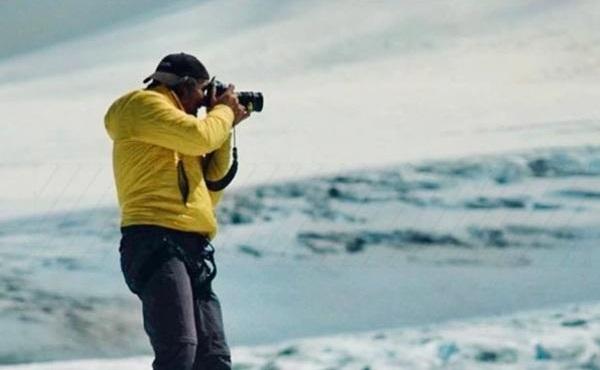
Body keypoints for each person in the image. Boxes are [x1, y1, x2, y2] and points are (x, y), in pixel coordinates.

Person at [104, 52, 250, 370]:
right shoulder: (142, 107)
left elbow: (211, 189)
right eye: (203, 90)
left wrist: (223, 127)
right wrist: (223, 112)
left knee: (213, 359)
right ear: (183, 86)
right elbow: (200, 137)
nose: (204, 101)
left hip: (192, 245)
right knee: (179, 352)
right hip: (154, 239)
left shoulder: (178, 130)